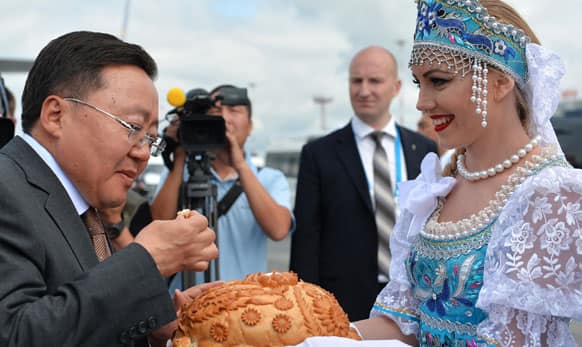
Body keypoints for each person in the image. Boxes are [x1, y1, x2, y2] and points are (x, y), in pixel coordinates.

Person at [294, 0, 581, 346]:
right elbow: (406, 322)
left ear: (500, 83)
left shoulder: (551, 194)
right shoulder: (439, 182)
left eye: (439, 81)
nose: (422, 102)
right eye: (419, 83)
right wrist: (310, 336)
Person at [0, 31, 219, 346]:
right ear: (55, 115)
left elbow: (73, 316)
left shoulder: (83, 206)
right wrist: (146, 262)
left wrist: (159, 332)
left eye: (151, 138)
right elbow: (15, 335)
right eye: (132, 127)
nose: (143, 152)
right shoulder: (7, 188)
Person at [290, 46, 438, 321]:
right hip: (342, 302)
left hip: (413, 298)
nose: (363, 90)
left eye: (375, 81)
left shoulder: (424, 149)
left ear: (395, 87)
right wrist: (305, 306)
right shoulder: (319, 154)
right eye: (356, 81)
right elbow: (306, 240)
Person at [151, 84, 294, 282]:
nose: (225, 118)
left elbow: (278, 229)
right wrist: (180, 153)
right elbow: (158, 223)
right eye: (216, 112)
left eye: (234, 111)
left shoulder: (269, 178)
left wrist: (240, 165)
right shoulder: (179, 173)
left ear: (250, 125)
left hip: (243, 305)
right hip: (185, 303)